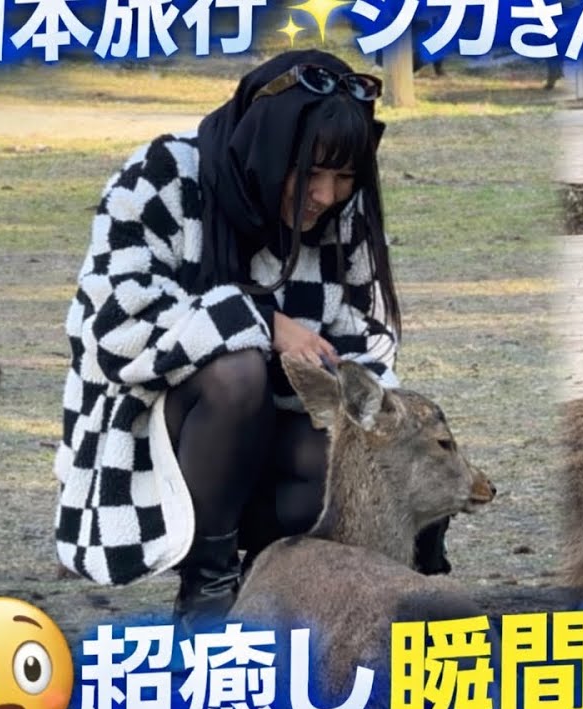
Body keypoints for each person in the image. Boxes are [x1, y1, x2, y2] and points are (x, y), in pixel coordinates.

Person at [53, 50, 455, 634]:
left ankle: (277, 590)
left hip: (270, 435)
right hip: (150, 443)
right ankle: (206, 593)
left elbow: (369, 342)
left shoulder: (345, 215)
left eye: (344, 178)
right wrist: (265, 325)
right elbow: (115, 329)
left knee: (356, 467)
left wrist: (348, 390)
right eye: (311, 174)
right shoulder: (163, 176)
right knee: (234, 370)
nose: (327, 195)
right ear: (268, 147)